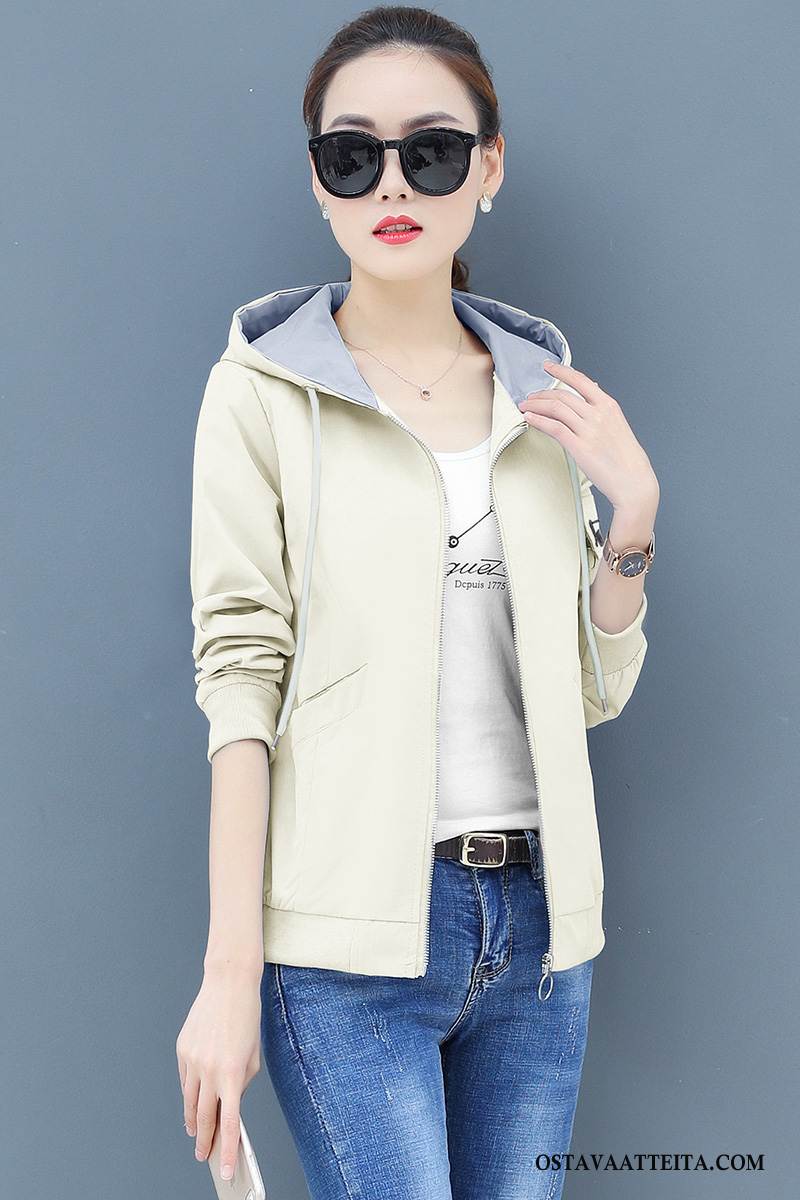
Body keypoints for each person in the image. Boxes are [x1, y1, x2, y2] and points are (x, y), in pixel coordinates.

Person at [176, 6, 659, 1198]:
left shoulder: (545, 400)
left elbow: (587, 695)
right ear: (319, 181)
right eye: (353, 154)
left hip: (541, 940)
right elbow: (240, 679)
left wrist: (632, 523)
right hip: (345, 949)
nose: (392, 183)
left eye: (431, 151)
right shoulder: (260, 394)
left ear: (487, 169)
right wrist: (229, 975)